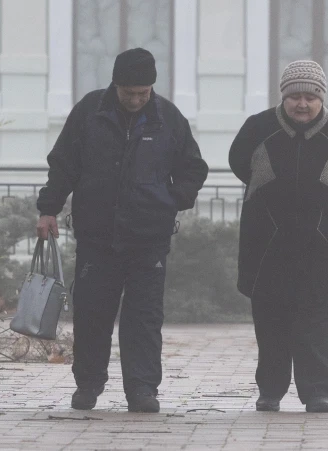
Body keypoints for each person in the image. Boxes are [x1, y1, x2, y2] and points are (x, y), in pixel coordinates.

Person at [36, 47, 208, 413]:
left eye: (143, 93)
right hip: (97, 235)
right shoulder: (89, 112)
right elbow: (63, 163)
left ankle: (142, 390)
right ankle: (88, 385)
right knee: (91, 314)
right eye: (129, 92)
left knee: (144, 318)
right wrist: (48, 208)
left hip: (150, 237)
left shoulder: (168, 118)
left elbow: (193, 168)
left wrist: (171, 199)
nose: (135, 99)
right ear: (116, 85)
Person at [228, 60, 328, 413]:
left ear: (322, 98)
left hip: (323, 243)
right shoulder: (258, 129)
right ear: (283, 97)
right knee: (269, 320)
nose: (302, 104)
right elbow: (239, 162)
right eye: (295, 97)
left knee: (317, 322)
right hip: (267, 241)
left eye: (310, 97)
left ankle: (317, 391)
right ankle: (270, 391)